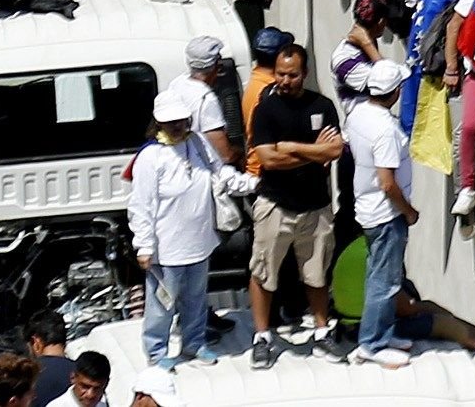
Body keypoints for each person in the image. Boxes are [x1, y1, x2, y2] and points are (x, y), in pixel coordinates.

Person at [241, 31, 342, 358]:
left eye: (292, 74)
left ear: (305, 74)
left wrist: (295, 148)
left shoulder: (322, 106)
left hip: (316, 207)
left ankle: (321, 329)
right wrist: (315, 152)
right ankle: (262, 337)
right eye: (281, 74)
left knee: (316, 273)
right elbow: (268, 158)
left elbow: (335, 150)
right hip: (275, 204)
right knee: (263, 272)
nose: (285, 80)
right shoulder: (265, 109)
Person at [126, 79, 225, 368]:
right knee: (162, 304)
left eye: (181, 120)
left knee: (196, 298)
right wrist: (143, 246)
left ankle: (194, 343)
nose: (177, 126)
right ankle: (157, 352)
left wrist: (250, 183)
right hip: (167, 249)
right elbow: (141, 205)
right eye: (170, 122)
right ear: (158, 123)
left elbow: (218, 172)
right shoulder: (150, 156)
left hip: (199, 242)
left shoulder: (196, 142)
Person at [341, 47, 421, 366]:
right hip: (386, 214)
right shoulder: (385, 130)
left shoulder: (359, 113)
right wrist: (409, 211)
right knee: (384, 282)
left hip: (368, 208)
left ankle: (383, 334)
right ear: (395, 92)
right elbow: (387, 182)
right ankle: (372, 344)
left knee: (384, 277)